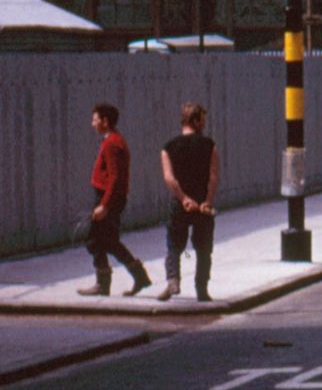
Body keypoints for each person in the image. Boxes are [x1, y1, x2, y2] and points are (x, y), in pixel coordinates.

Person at [79, 103, 151, 297]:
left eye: (95, 119)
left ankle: (104, 284)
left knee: (93, 240)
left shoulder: (112, 143)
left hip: (107, 199)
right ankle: (139, 277)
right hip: (109, 199)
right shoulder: (112, 140)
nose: (92, 123)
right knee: (109, 241)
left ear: (105, 121)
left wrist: (104, 205)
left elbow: (115, 177)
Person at [158, 101, 219, 302]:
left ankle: (173, 281)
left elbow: (169, 178)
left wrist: (183, 199)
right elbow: (213, 176)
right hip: (202, 205)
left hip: (180, 204)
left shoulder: (168, 147)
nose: (205, 123)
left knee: (174, 245)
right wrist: (207, 201)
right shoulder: (210, 145)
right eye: (203, 119)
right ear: (195, 120)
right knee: (203, 249)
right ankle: (202, 289)